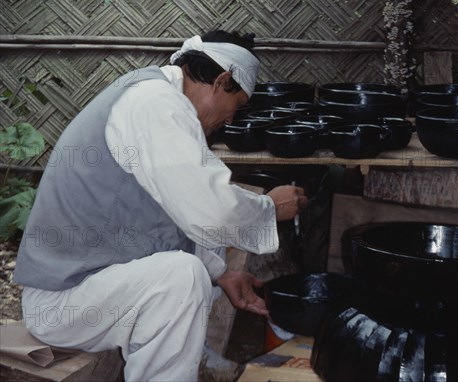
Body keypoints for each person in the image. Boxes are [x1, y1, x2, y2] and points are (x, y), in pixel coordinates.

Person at [13, 30, 307, 381]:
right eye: (238, 104)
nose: (231, 120)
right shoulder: (155, 103)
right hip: (62, 304)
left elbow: (170, 215)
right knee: (183, 278)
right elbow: (211, 208)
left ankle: (194, 361)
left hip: (87, 291)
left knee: (196, 274)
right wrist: (269, 208)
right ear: (222, 80)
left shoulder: (152, 94)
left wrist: (223, 274)